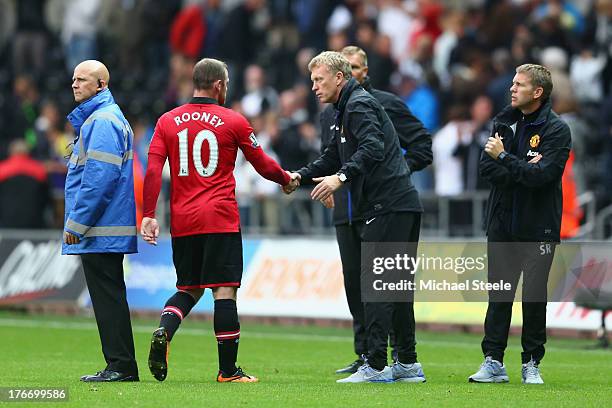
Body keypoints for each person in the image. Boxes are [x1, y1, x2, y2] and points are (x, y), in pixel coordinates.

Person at [141, 58, 297, 383]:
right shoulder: (233, 120)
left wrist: (149, 215)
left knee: (188, 288)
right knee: (223, 291)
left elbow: (154, 170)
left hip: (183, 221)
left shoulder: (167, 121)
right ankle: (228, 371)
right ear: (219, 86)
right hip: (220, 218)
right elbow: (261, 163)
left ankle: (165, 330)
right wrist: (285, 179)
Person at [285, 51, 425, 383]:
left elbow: (373, 148)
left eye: (319, 79)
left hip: (387, 205)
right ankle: (407, 363)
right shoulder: (345, 107)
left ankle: (376, 366)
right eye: (312, 80)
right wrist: (300, 177)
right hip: (396, 205)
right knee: (395, 288)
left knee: (376, 286)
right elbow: (333, 155)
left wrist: (341, 178)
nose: (314, 87)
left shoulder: (358, 104)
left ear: (339, 77)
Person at [320, 45, 432, 375]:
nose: (350, 72)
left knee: (383, 285)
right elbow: (332, 157)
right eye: (344, 66)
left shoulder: (382, 104)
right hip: (347, 209)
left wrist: (394, 171)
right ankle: (366, 353)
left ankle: (390, 356)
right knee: (357, 287)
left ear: (364, 71)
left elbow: (422, 147)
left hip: (382, 203)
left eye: (355, 67)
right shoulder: (332, 111)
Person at [470, 64, 571, 384]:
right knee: (499, 294)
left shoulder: (557, 130)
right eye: (512, 83)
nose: (511, 89)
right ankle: (493, 361)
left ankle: (531, 363)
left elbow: (543, 177)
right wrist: (519, 166)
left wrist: (505, 159)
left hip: (538, 225)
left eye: (519, 84)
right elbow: (487, 169)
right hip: (501, 222)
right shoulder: (504, 121)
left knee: (534, 296)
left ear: (537, 92)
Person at [62, 60, 139, 382]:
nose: (75, 84)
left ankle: (120, 366)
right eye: (74, 79)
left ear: (101, 85)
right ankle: (120, 364)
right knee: (109, 296)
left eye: (83, 80)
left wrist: (77, 223)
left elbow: (99, 177)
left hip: (100, 227)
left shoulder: (103, 121)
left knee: (107, 298)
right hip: (105, 225)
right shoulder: (101, 119)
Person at [0, 139, 51, 229]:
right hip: (34, 222)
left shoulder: (2, 169)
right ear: (27, 153)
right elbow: (46, 198)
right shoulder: (39, 170)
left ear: (11, 152)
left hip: (6, 222)